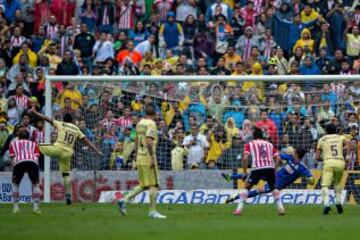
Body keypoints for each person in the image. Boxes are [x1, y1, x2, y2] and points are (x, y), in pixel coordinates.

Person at [29, 107, 102, 205]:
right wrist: (97, 151)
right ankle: (68, 194)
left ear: (64, 120)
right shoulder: (76, 129)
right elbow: (87, 141)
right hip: (68, 153)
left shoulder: (61, 124)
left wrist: (34, 112)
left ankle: (26, 157)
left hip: (58, 149)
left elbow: (46, 118)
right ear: (72, 121)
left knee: (36, 145)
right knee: (66, 174)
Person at [118, 104, 167, 219]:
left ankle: (123, 199)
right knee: (154, 185)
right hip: (148, 157)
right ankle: (152, 211)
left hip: (139, 157)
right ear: (154, 114)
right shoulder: (151, 124)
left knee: (144, 185)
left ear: (145, 113)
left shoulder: (140, 123)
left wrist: (135, 153)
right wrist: (151, 157)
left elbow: (136, 138)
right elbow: (149, 140)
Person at [223, 148, 315, 203]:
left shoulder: (302, 167)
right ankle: (230, 177)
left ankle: (234, 197)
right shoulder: (290, 158)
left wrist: (310, 179)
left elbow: (310, 178)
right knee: (253, 173)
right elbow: (278, 155)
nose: (293, 153)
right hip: (273, 175)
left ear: (297, 154)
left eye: (294, 152)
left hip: (277, 184)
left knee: (257, 191)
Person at [232, 127, 284, 216]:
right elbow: (278, 158)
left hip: (257, 168)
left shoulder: (250, 144)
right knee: (273, 188)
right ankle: (281, 208)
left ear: (254, 136)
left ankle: (238, 209)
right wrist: (274, 170)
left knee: (246, 188)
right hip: (270, 168)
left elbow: (245, 158)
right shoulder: (269, 144)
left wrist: (245, 172)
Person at [316, 123, 351, 215]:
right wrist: (347, 155)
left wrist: (323, 158)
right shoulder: (340, 137)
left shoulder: (322, 139)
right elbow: (348, 142)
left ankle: (327, 204)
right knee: (337, 182)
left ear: (326, 131)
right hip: (340, 162)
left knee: (325, 185)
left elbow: (317, 157)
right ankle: (338, 201)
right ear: (335, 130)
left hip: (329, 163)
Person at [9, 128, 41, 214]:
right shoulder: (34, 144)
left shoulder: (13, 143)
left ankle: (16, 208)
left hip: (19, 162)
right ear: (28, 137)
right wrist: (35, 169)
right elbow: (37, 157)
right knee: (35, 185)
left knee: (16, 184)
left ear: (18, 136)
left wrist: (14, 168)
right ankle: (36, 207)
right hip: (32, 162)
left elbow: (12, 158)